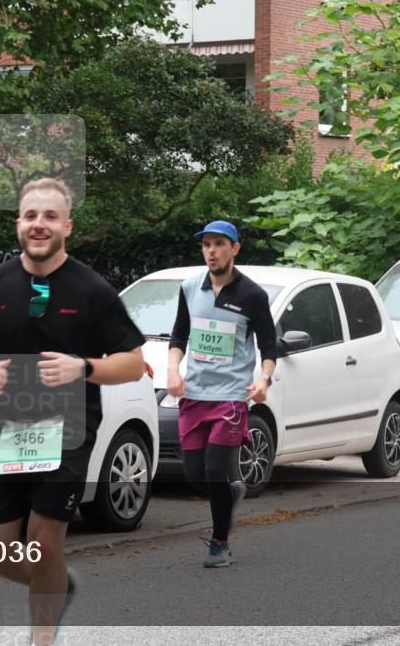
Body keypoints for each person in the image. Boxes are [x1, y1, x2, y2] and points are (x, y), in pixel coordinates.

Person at [0, 178, 146, 645]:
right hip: (3, 425)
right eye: (31, 216)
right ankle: (58, 584)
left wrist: (84, 367)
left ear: (67, 227)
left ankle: (41, 638)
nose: (39, 225)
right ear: (18, 223)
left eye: (50, 217)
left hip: (67, 427)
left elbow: (134, 363)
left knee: (43, 541)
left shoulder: (91, 289)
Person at [166, 220, 278, 568]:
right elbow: (178, 336)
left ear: (235, 249)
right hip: (195, 394)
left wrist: (264, 380)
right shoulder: (188, 288)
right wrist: (173, 369)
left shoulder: (252, 295)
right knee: (196, 476)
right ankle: (230, 493)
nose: (211, 251)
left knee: (215, 468)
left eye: (218, 244)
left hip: (231, 397)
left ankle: (220, 544)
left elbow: (270, 345)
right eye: (206, 245)